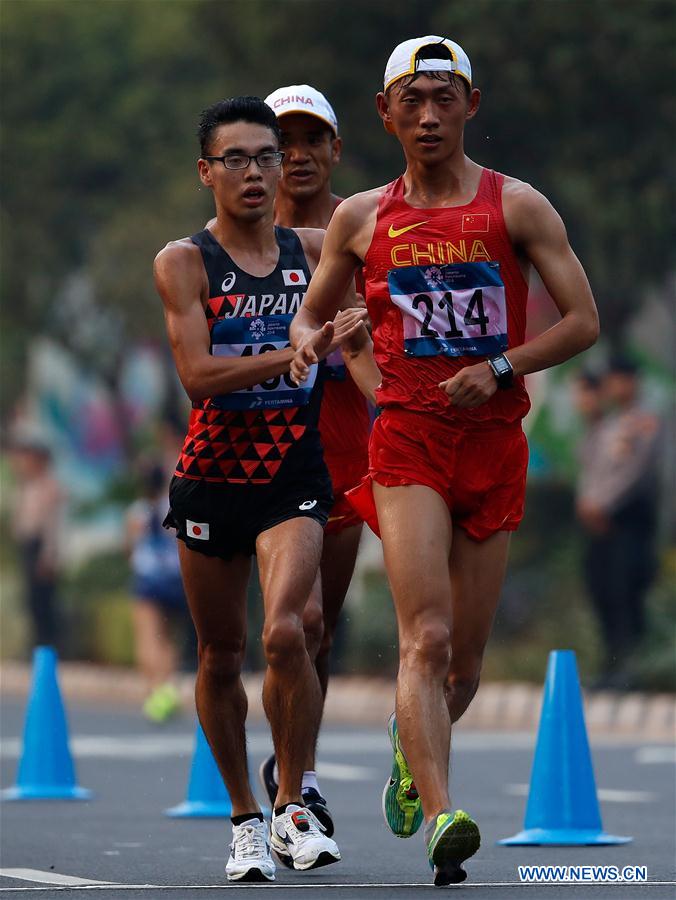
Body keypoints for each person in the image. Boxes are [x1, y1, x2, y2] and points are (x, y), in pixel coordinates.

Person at [289, 36, 599, 886]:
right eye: (411, 101)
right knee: (421, 637)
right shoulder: (359, 218)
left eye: (444, 97)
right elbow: (307, 325)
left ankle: (408, 742)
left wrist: (501, 367)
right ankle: (441, 817)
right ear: (386, 113)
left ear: (470, 105)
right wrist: (330, 340)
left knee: (463, 663)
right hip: (408, 443)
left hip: (493, 443)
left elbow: (581, 321)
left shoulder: (518, 206)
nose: (428, 115)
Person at [153, 96, 365, 882]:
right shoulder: (183, 261)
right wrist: (292, 352)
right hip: (211, 480)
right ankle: (244, 815)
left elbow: (376, 296)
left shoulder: (315, 248)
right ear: (206, 172)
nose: (255, 172)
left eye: (267, 157)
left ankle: (292, 807)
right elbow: (198, 377)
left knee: (289, 632)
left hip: (293, 476)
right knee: (219, 654)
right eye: (236, 159)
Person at [257, 84, 371, 837]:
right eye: (279, 144)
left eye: (310, 141)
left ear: (335, 149)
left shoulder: (365, 229)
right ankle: (290, 786)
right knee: (286, 624)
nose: (296, 157)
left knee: (318, 627)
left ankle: (300, 772)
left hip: (342, 441)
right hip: (261, 442)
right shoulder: (234, 238)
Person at [575, 357, 661, 688]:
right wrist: (589, 506)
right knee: (603, 593)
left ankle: (630, 669)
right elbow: (591, 468)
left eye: (621, 380)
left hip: (627, 525)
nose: (615, 388)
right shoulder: (605, 426)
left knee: (627, 595)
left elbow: (634, 473)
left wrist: (600, 505)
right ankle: (610, 667)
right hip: (599, 528)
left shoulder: (644, 423)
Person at [127, 459, 187, 722]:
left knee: (148, 636)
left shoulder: (137, 512)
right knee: (169, 636)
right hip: (174, 579)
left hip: (148, 579)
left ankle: (155, 691)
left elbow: (129, 547)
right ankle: (168, 688)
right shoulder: (172, 507)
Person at [8, 436, 65, 652]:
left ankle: (48, 646)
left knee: (44, 602)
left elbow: (53, 526)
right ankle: (37, 645)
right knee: (31, 600)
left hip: (41, 548)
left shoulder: (50, 488)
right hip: (28, 546)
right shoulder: (26, 486)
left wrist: (48, 556)